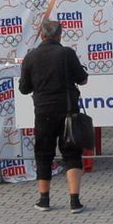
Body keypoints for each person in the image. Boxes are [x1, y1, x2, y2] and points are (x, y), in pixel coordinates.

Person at [19, 18, 89, 214]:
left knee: (43, 153)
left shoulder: (31, 57)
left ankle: (44, 200)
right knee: (72, 153)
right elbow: (82, 79)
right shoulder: (67, 54)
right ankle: (74, 201)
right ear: (60, 35)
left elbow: (24, 88)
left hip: (43, 111)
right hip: (68, 111)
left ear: (42, 35)